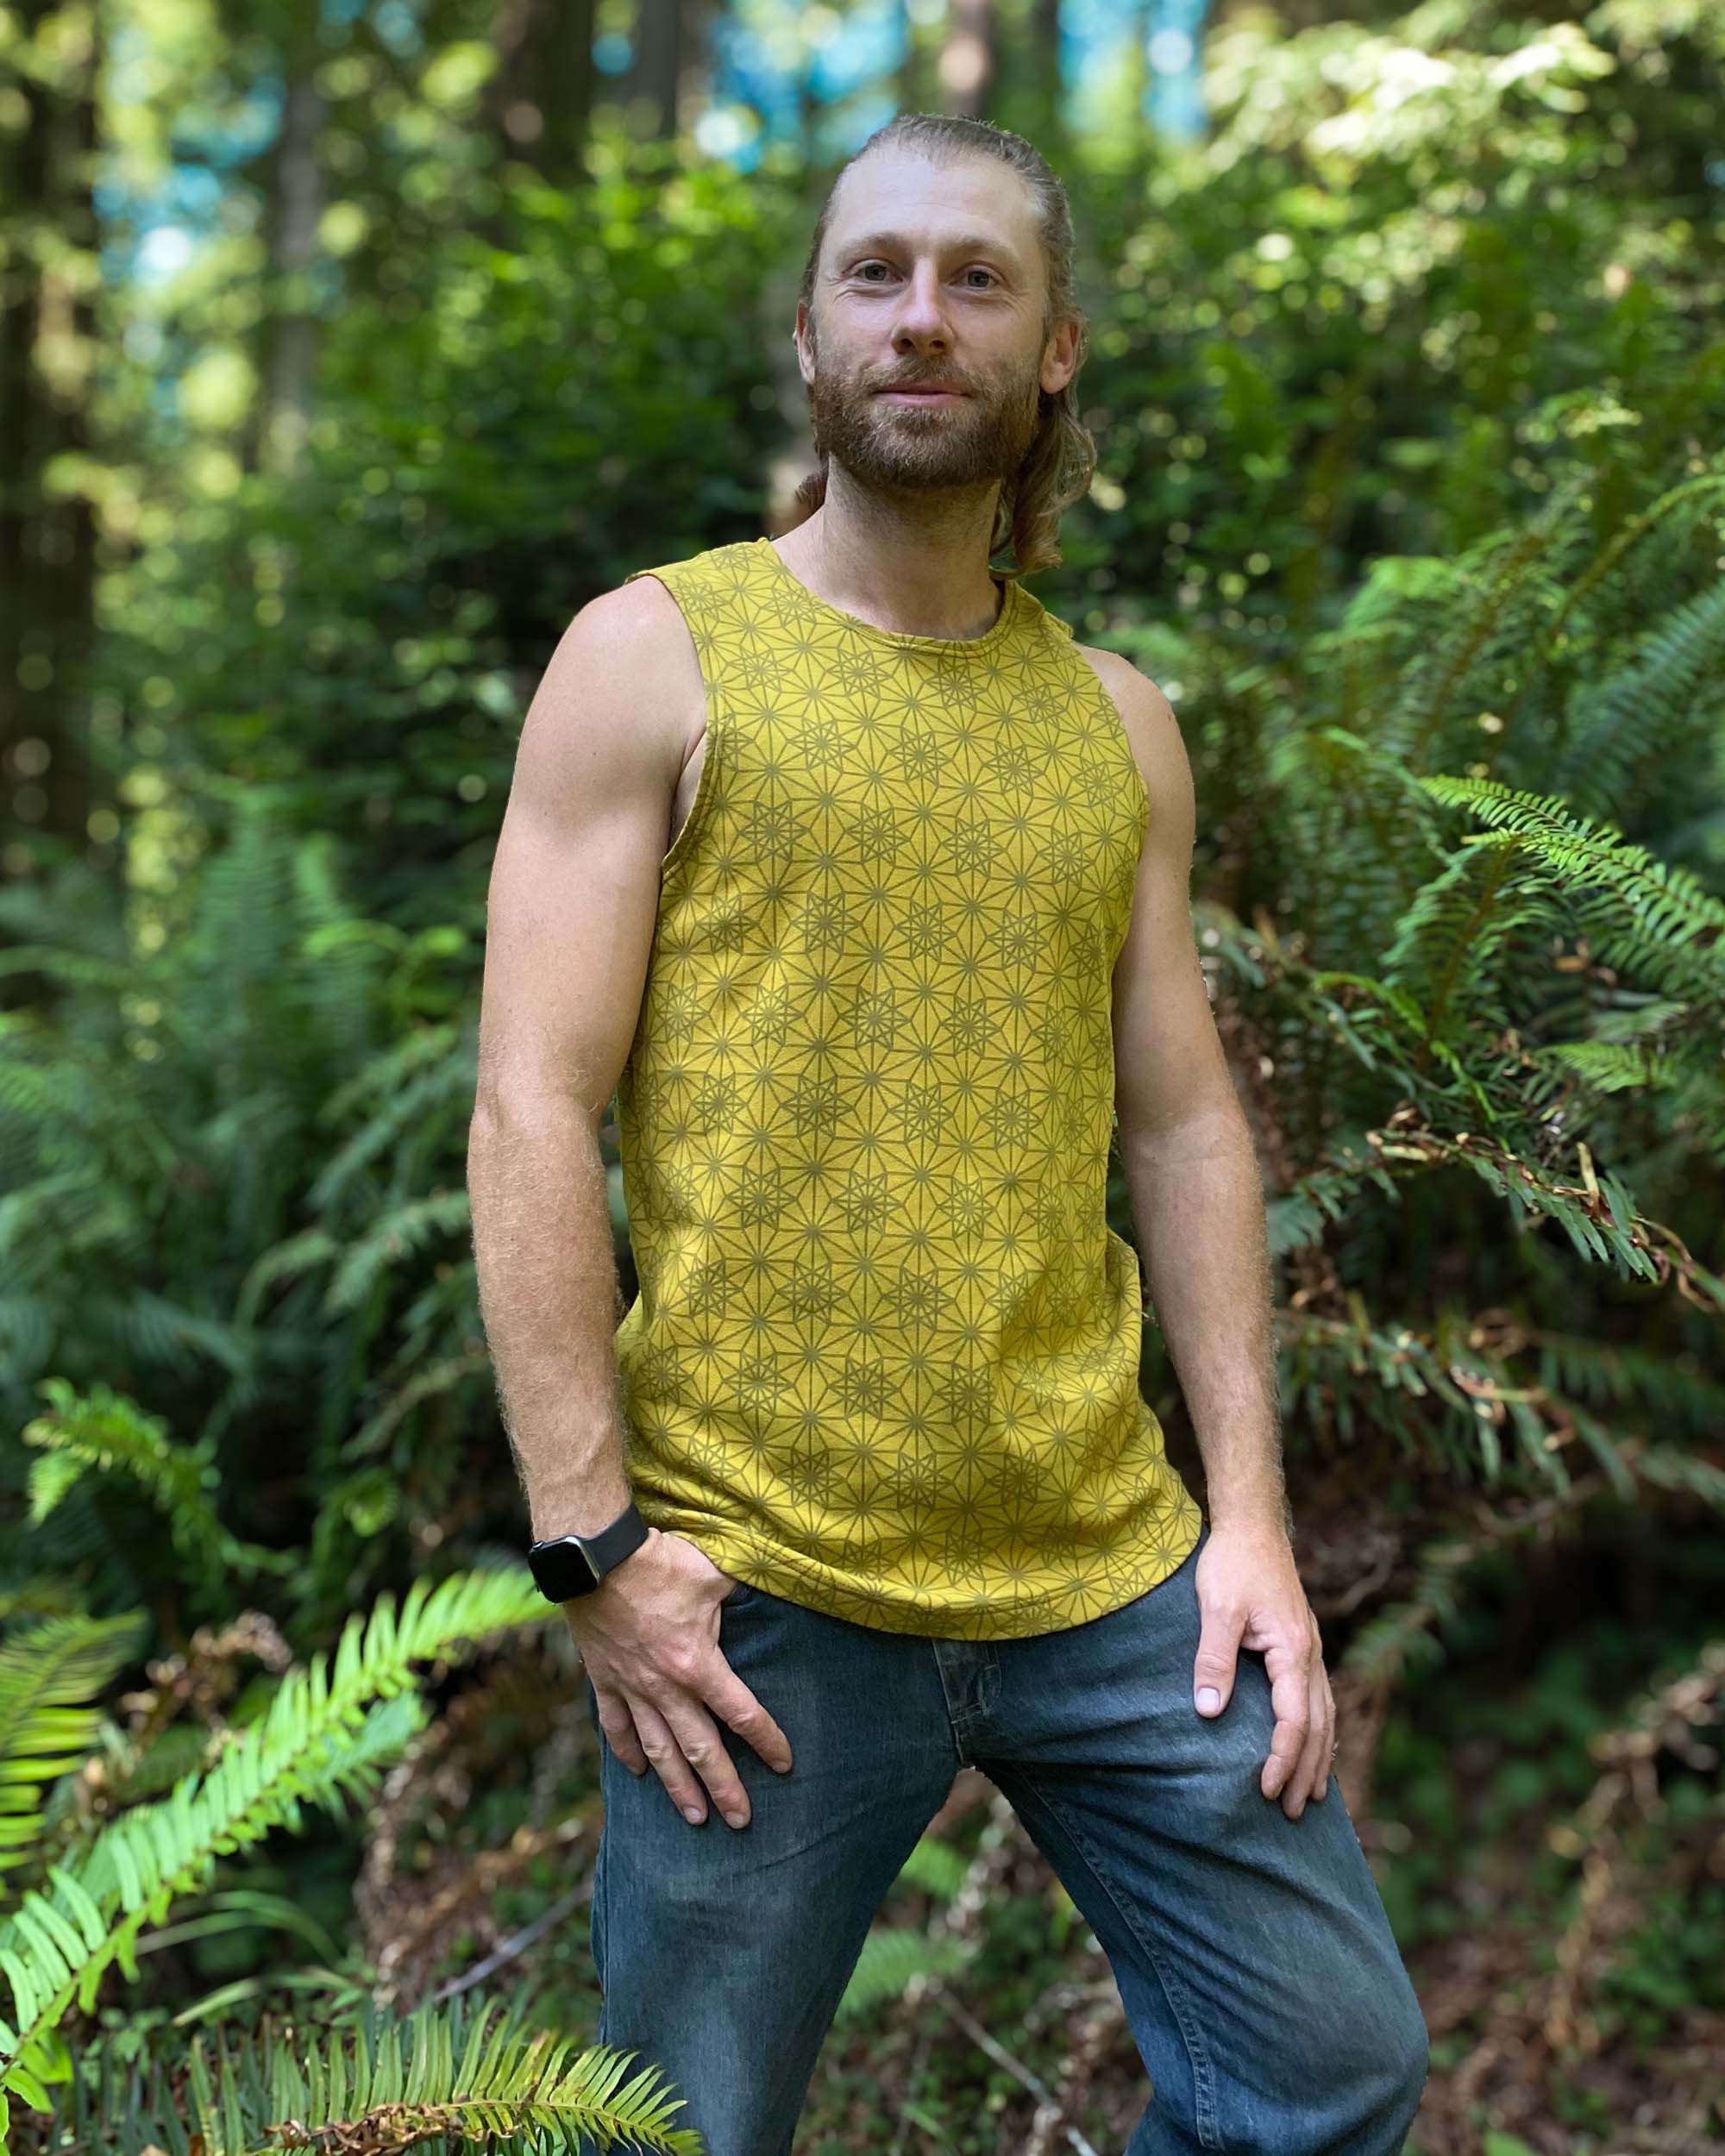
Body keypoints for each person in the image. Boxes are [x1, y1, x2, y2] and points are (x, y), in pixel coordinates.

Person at [467, 110, 1430, 2156]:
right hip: (757, 1592)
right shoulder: (654, 655)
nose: (925, 316)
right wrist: (596, 1551)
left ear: (1055, 346)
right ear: (810, 337)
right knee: (681, 2135)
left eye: (977, 278)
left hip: (1109, 1576)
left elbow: (1180, 1121)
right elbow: (531, 1104)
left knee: (1329, 2070)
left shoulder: (1118, 722)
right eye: (877, 273)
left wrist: (1245, 1519)